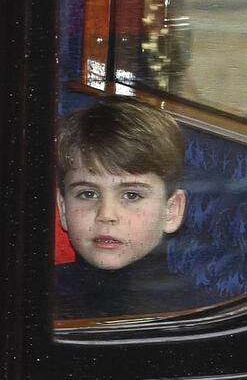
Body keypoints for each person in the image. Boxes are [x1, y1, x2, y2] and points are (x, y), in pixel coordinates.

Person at [55, 98, 217, 319]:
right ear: (63, 209)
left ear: (171, 211)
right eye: (87, 194)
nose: (106, 215)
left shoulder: (198, 316)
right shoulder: (27, 296)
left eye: (132, 195)